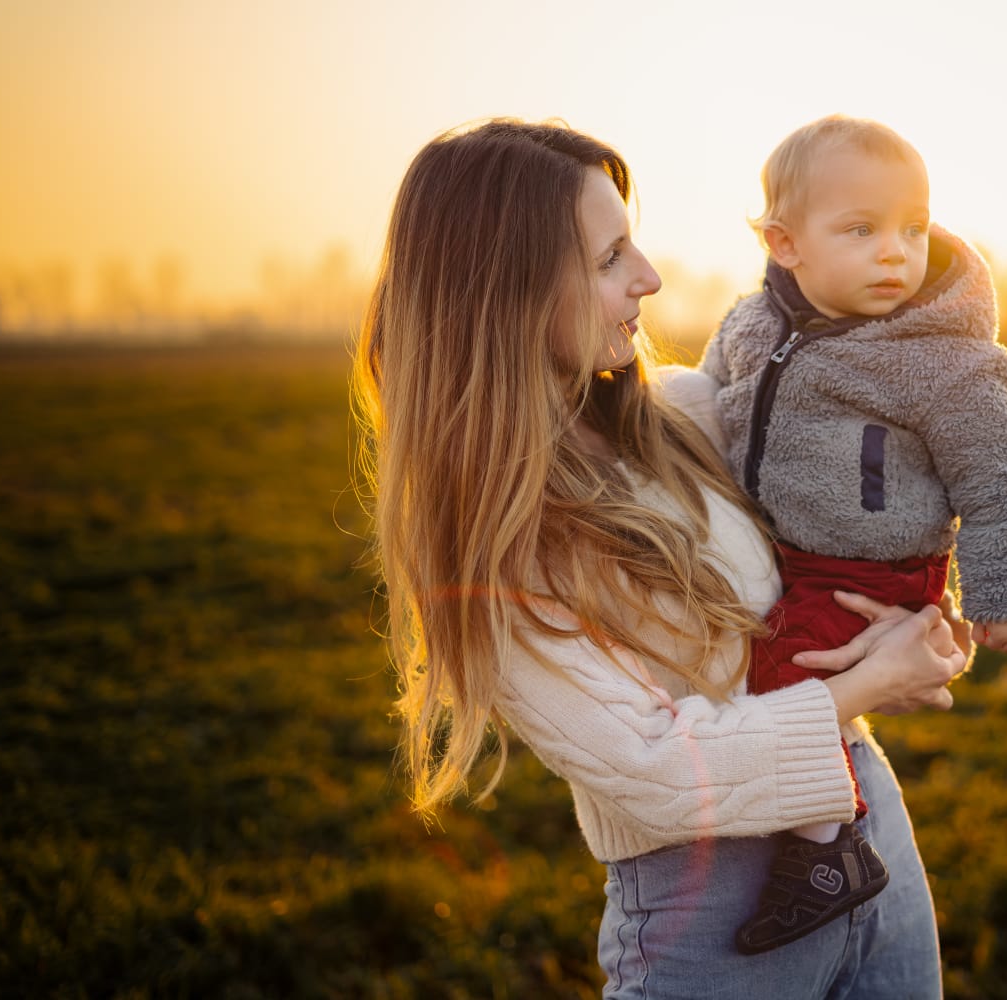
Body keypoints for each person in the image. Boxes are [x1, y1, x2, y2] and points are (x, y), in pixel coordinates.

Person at [350, 118, 969, 998]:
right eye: (609, 259)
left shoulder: (692, 414)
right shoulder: (491, 540)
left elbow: (868, 513)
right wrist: (864, 688)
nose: (649, 276)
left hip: (870, 832)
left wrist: (919, 624)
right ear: (507, 293)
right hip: (708, 917)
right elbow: (658, 773)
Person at [700, 115, 1007, 953]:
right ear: (786, 243)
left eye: (912, 227)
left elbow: (1001, 479)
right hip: (787, 548)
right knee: (754, 661)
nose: (895, 251)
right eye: (860, 231)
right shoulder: (753, 325)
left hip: (875, 568)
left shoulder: (940, 358)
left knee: (791, 678)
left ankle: (825, 855)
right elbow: (705, 395)